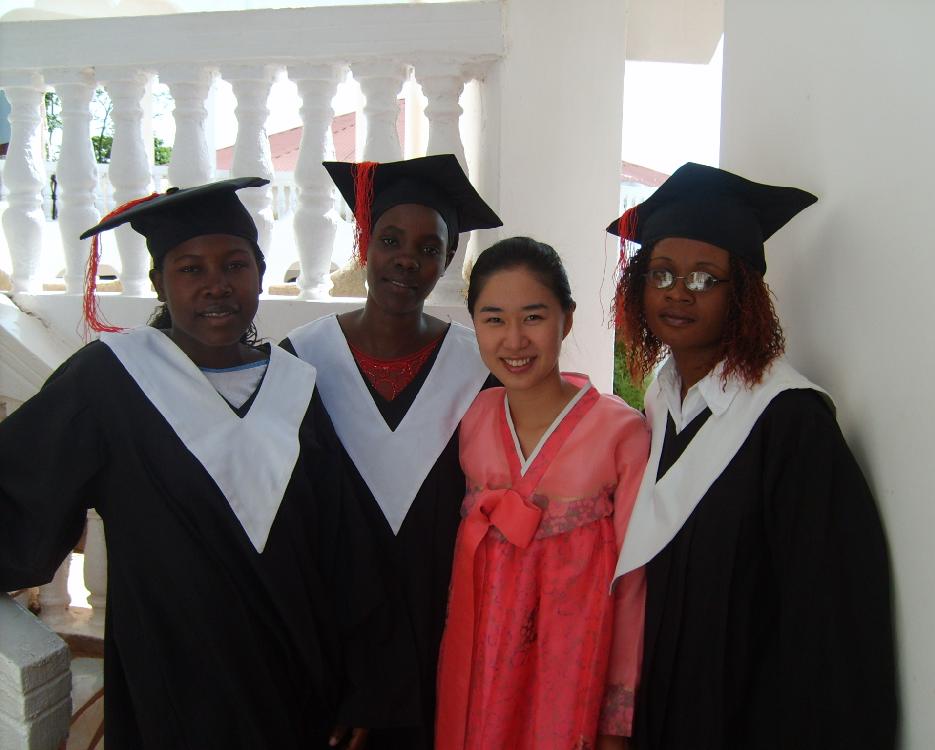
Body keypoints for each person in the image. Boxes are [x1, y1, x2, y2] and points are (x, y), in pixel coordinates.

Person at [0, 178, 384, 750]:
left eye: (235, 264)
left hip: (295, 678)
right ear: (159, 281)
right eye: (190, 269)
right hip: (171, 680)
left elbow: (341, 547)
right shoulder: (111, 379)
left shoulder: (295, 387)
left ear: (259, 272)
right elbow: (21, 487)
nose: (216, 285)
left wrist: (360, 682)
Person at [608, 163, 898, 749]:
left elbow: (831, 618)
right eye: (661, 273)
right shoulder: (662, 400)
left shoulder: (790, 422)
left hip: (746, 715)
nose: (678, 292)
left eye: (704, 278)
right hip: (662, 707)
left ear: (741, 294)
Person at [282, 154, 504, 749]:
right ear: (366, 245)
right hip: (332, 651)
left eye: (429, 248)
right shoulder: (300, 362)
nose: (407, 259)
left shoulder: (479, 370)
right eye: (390, 240)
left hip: (443, 644)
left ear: (447, 260)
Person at [435, 237, 649, 750]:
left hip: (573, 670)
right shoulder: (474, 420)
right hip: (487, 666)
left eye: (533, 317)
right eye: (493, 319)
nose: (514, 340)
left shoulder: (621, 433)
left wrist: (618, 717)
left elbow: (634, 583)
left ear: (566, 320)